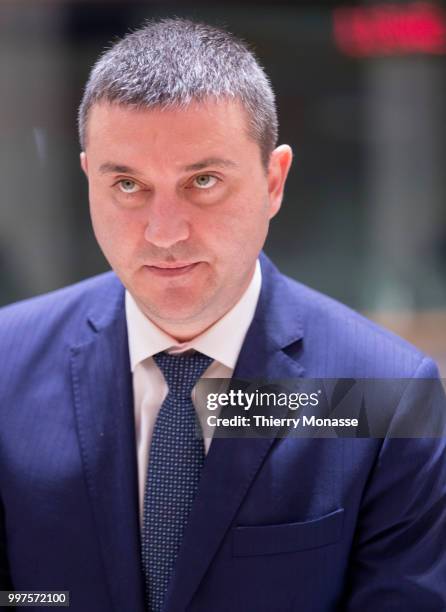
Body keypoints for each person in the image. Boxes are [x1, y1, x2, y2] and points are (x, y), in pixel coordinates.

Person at [0, 18, 445, 612]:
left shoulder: (383, 393)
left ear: (273, 180)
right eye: (128, 185)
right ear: (88, 181)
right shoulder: (5, 367)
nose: (163, 234)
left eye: (202, 181)